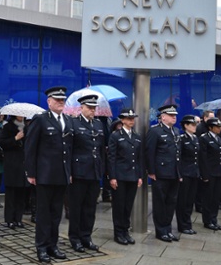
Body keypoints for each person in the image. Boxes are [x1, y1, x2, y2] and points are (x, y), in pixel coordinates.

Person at [25, 86, 73, 263]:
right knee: (44, 214)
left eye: (63, 100)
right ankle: (42, 247)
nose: (61, 102)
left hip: (61, 175)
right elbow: (30, 147)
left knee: (56, 213)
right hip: (44, 175)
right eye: (57, 100)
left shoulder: (67, 120)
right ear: (49, 101)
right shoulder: (40, 120)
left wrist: (69, 172)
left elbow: (69, 149)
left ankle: (53, 245)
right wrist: (31, 172)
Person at [68, 94, 106, 252]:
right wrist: (69, 171)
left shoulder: (98, 124)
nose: (92, 110)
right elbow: (69, 149)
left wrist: (102, 169)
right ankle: (75, 238)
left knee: (90, 208)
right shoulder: (74, 123)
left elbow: (101, 149)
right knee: (76, 208)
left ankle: (86, 237)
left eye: (94, 108)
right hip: (79, 172)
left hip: (94, 172)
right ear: (81, 108)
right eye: (89, 107)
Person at [146, 105, 181, 243]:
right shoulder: (155, 131)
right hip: (160, 173)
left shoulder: (176, 131)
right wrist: (151, 171)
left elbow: (178, 153)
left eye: (175, 115)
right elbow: (149, 152)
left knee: (171, 202)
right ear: (163, 116)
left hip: (174, 172)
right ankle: (161, 231)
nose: (174, 117)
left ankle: (168, 229)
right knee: (160, 203)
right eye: (171, 115)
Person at [108, 108, 143, 245]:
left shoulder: (137, 136)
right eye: (128, 119)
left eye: (133, 118)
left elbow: (139, 158)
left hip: (133, 176)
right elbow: (111, 158)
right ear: (122, 120)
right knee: (119, 206)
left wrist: (140, 176)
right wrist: (112, 177)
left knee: (128, 206)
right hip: (120, 176)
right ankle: (118, 233)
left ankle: (125, 231)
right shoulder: (115, 136)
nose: (131, 121)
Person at [0, 115, 29, 229]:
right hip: (12, 164)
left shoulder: (26, 128)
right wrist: (15, 138)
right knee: (11, 193)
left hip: (23, 164)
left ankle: (18, 218)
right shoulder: (8, 127)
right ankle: (9, 219)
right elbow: (2, 143)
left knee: (21, 193)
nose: (21, 116)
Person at [199, 117, 221, 231]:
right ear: (210, 127)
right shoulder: (204, 138)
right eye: (217, 127)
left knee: (216, 198)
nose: (219, 129)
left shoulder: (218, 138)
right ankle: (207, 220)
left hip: (218, 172)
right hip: (210, 172)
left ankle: (214, 219)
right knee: (208, 198)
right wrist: (204, 174)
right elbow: (203, 158)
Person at [176, 115, 200, 235]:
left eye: (195, 124)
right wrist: (179, 174)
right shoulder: (181, 139)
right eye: (192, 125)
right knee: (183, 200)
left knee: (190, 200)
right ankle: (182, 224)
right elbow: (179, 158)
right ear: (186, 126)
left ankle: (188, 223)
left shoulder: (195, 138)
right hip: (185, 173)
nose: (195, 127)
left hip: (194, 173)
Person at [194, 110, 214, 213]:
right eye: (210, 117)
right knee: (200, 185)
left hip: (208, 160)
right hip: (201, 159)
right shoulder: (200, 128)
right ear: (205, 118)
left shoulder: (208, 128)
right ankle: (199, 204)